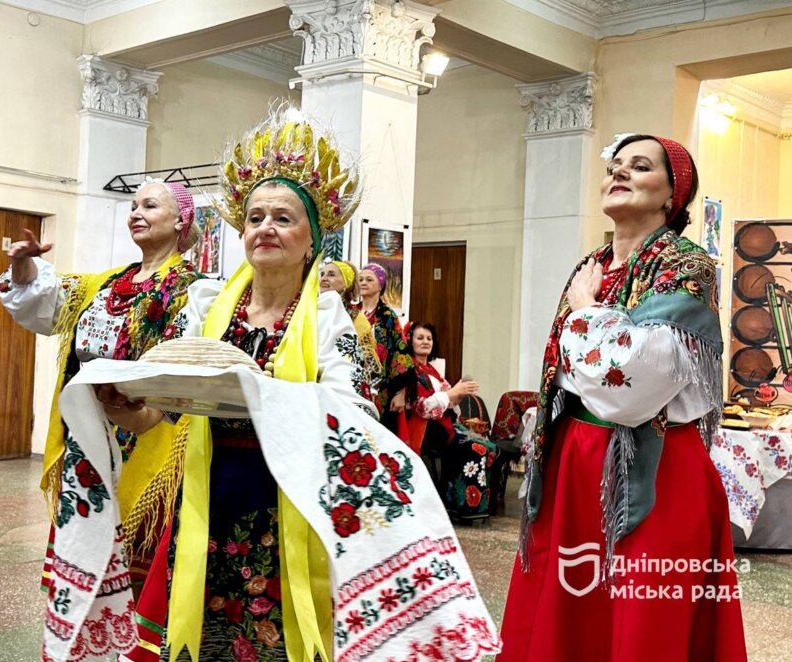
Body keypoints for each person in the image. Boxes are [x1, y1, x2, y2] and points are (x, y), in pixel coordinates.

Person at [98, 106, 499, 662]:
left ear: (313, 238)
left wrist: (260, 391)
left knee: (280, 641)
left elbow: (349, 414)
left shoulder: (329, 318)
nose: (266, 227)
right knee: (198, 639)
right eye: (255, 216)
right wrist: (125, 408)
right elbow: (166, 411)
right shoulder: (208, 305)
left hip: (287, 502)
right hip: (206, 498)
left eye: (283, 218)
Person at [499, 135, 746, 661]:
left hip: (655, 470)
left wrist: (586, 312)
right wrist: (601, 337)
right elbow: (579, 372)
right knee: (574, 610)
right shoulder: (592, 264)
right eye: (615, 166)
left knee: (645, 616)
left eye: (640, 166)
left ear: (672, 193)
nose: (621, 173)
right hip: (575, 462)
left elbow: (631, 385)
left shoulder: (686, 265)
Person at [0, 181, 202, 610]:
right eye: (132, 205)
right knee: (85, 562)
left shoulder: (198, 291)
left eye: (149, 205)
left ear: (181, 220)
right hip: (86, 445)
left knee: (136, 570)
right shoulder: (105, 285)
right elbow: (43, 303)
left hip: (147, 446)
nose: (135, 212)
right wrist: (24, 266)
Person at [398, 322, 494, 522]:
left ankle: (467, 503)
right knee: (477, 447)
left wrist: (459, 393)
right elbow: (420, 408)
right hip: (426, 430)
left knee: (489, 445)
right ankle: (464, 506)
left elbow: (449, 402)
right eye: (420, 338)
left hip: (442, 425)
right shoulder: (409, 371)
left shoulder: (431, 371)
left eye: (429, 338)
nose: (425, 342)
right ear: (410, 341)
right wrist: (451, 394)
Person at [319, 258, 381, 404]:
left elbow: (366, 363)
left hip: (341, 389)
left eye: (332, 274)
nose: (324, 278)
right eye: (322, 274)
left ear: (345, 283)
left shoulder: (356, 319)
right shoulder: (309, 308)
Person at [358, 262, 414, 415]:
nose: (363, 282)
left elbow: (400, 351)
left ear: (380, 285)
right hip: (351, 378)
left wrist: (400, 392)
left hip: (378, 386)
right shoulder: (350, 312)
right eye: (361, 279)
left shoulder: (387, 316)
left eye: (369, 279)